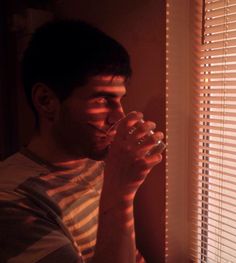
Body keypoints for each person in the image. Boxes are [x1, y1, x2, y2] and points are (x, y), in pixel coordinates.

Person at [0, 19, 164, 263]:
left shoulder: (96, 163)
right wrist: (120, 194)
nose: (119, 116)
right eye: (101, 100)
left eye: (119, 100)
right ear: (46, 101)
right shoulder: (12, 198)